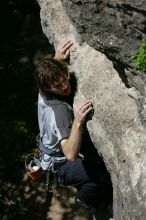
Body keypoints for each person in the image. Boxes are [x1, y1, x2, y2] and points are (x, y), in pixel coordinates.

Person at [35, 40, 112, 219]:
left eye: (64, 78)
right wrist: (77, 122)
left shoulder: (44, 90)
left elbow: (53, 75)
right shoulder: (60, 112)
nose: (65, 86)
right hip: (59, 165)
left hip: (48, 153)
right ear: (48, 88)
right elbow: (70, 153)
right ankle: (85, 200)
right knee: (99, 173)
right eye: (58, 85)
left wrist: (57, 59)